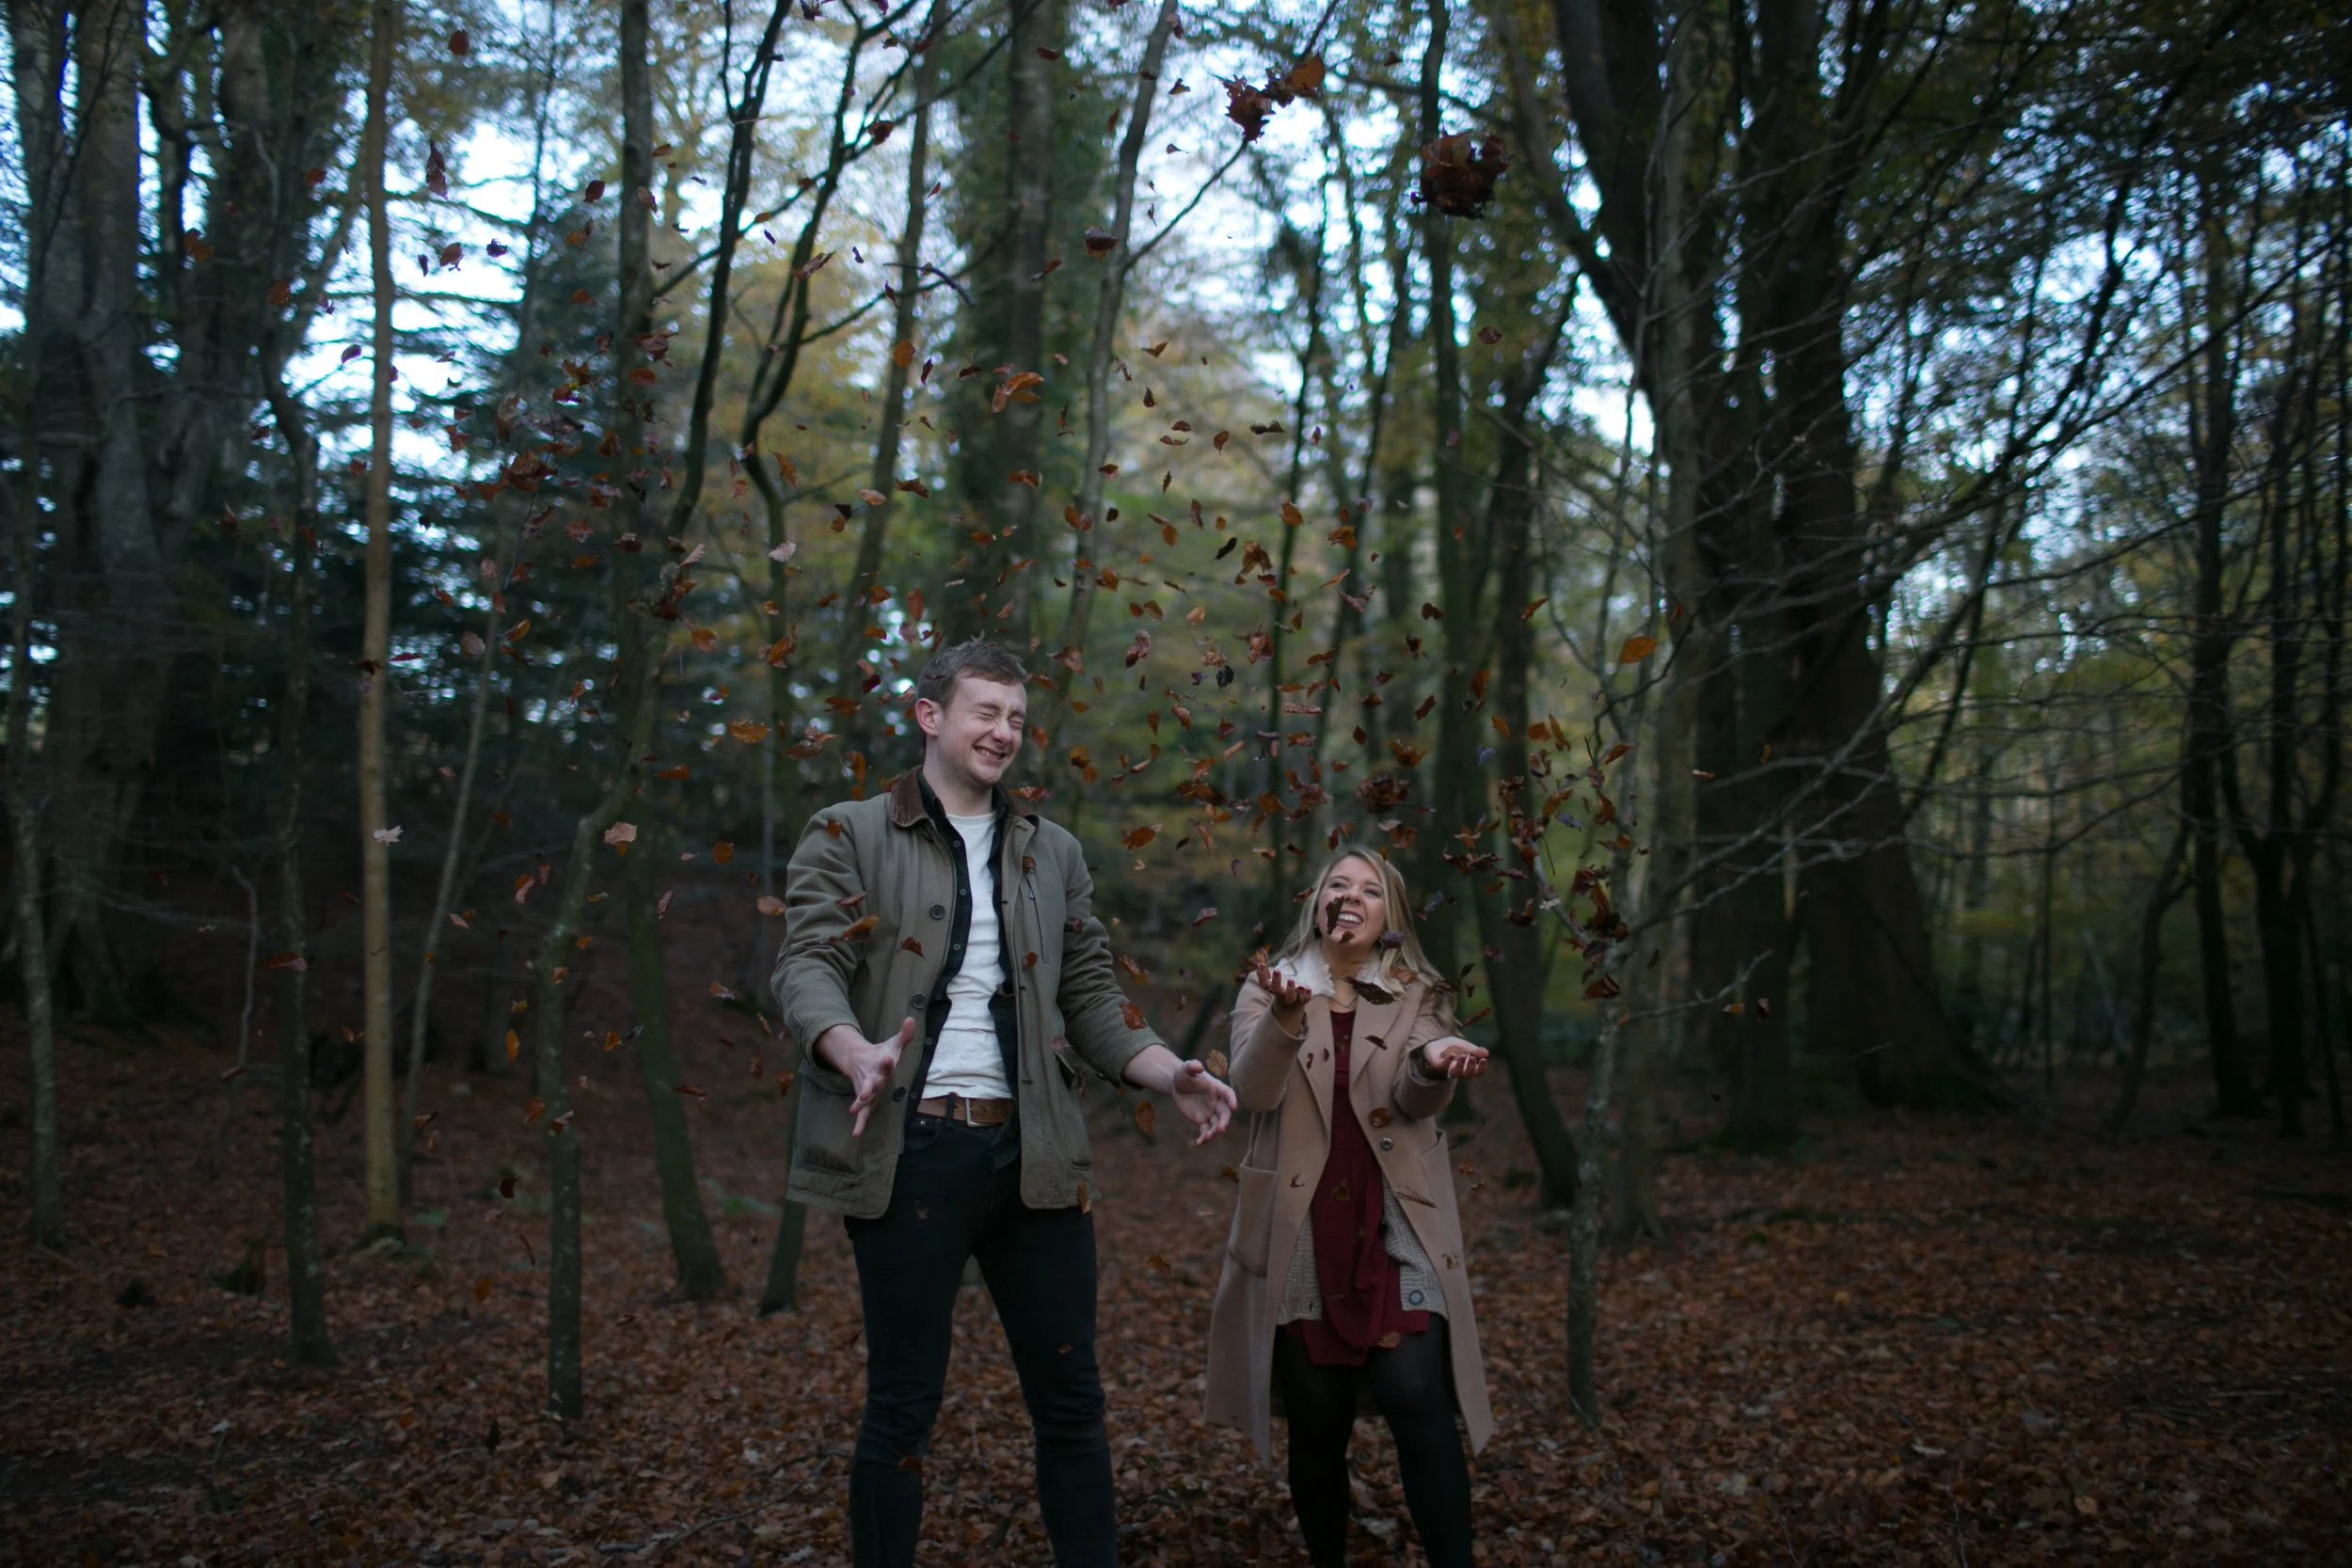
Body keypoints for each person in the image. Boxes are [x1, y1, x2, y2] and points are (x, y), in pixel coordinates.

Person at [772, 636, 1236, 1568]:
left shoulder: (1050, 851)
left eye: (1017, 717)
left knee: (1072, 1401)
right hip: (912, 1152)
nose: (1004, 732)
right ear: (929, 715)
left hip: (1036, 1155)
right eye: (987, 711)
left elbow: (1092, 998)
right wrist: (848, 1046)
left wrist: (1164, 1069)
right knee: (903, 1403)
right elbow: (807, 962)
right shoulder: (849, 830)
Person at [1203, 850, 1494, 1568]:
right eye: (1339, 883)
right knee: (1317, 1413)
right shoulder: (1267, 985)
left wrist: (1434, 1063)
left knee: (1418, 1394)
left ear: (1389, 915)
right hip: (1301, 1223)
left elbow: (1413, 1093)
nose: (1352, 897)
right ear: (1318, 902)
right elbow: (1254, 1092)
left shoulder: (1417, 991)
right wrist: (1286, 1012)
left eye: (1371, 889)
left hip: (1398, 1214)